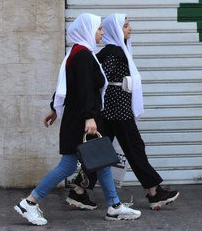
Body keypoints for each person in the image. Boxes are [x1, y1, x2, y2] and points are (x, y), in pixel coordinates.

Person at [14, 13, 141, 225]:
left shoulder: (79, 52)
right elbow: (84, 89)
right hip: (82, 120)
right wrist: (89, 118)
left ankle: (114, 206)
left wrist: (55, 107)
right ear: (88, 30)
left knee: (102, 161)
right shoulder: (82, 55)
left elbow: (67, 83)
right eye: (99, 29)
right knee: (68, 166)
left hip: (80, 117)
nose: (102, 32)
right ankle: (29, 202)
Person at [69, 13, 180, 210]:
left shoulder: (115, 50)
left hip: (111, 111)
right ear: (115, 30)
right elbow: (97, 78)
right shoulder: (113, 53)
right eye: (126, 26)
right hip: (117, 111)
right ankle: (154, 192)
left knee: (101, 153)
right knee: (135, 147)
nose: (130, 29)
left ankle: (78, 190)